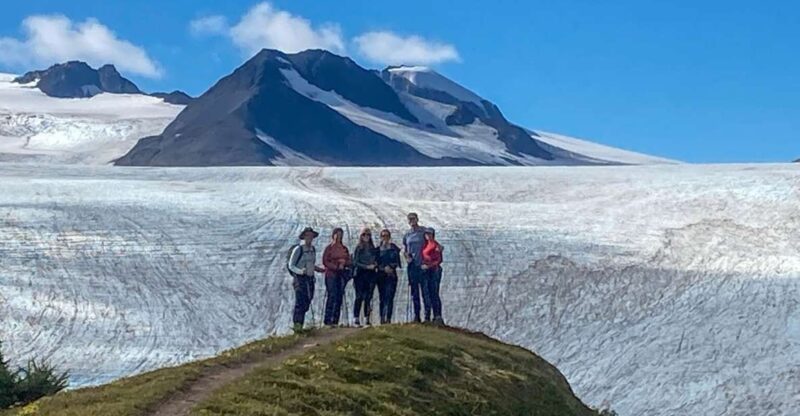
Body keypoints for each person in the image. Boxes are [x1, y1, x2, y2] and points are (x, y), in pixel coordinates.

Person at [287, 227, 325, 332]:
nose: (310, 238)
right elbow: (291, 265)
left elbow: (311, 264)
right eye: (308, 235)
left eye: (311, 236)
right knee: (300, 302)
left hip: (309, 279)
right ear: (303, 237)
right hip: (299, 279)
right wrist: (301, 272)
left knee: (307, 300)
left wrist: (318, 269)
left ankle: (300, 325)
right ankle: (297, 327)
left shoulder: (312, 249)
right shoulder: (298, 249)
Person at [321, 228, 351, 327]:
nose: (339, 237)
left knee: (339, 296)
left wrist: (344, 263)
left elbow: (349, 261)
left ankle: (335, 320)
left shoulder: (344, 248)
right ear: (333, 235)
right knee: (332, 295)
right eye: (337, 234)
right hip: (331, 274)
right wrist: (337, 266)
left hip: (340, 274)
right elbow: (325, 261)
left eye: (340, 235)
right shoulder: (329, 248)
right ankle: (328, 320)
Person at [402, 212, 427, 322]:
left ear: (417, 219)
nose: (412, 221)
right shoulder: (407, 234)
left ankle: (427, 315)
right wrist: (407, 257)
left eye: (413, 218)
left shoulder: (423, 231)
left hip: (422, 265)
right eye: (410, 219)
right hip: (412, 266)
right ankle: (417, 315)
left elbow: (430, 244)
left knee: (425, 290)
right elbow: (405, 249)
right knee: (414, 291)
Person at [352, 227, 379, 326]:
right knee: (359, 296)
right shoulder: (359, 248)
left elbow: (376, 259)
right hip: (360, 274)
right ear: (361, 236)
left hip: (371, 274)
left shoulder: (372, 248)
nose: (366, 236)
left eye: (368, 235)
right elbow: (355, 262)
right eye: (364, 234)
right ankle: (356, 318)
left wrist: (375, 264)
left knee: (368, 296)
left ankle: (367, 318)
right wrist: (366, 266)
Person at [376, 229, 402, 324]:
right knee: (382, 297)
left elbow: (397, 262)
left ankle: (388, 318)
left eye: (387, 236)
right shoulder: (378, 249)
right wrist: (383, 268)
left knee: (390, 296)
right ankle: (382, 318)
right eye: (383, 236)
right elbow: (376, 262)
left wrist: (391, 267)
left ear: (389, 237)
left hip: (391, 275)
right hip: (381, 276)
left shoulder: (394, 248)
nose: (385, 238)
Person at [421, 228, 444, 324]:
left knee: (434, 293)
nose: (428, 236)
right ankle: (428, 316)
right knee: (428, 293)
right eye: (426, 234)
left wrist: (429, 265)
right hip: (426, 270)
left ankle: (437, 316)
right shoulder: (425, 245)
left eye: (429, 234)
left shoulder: (436, 245)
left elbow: (439, 260)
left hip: (434, 270)